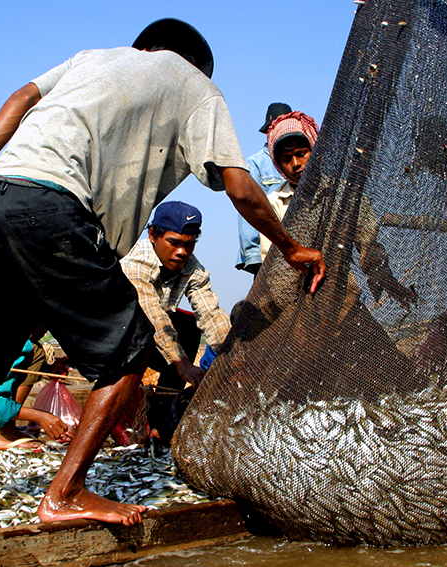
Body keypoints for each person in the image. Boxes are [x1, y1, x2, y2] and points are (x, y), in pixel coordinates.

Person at [0, 18, 325, 528]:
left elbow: (21, 96)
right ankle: (63, 495)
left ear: (145, 48)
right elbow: (240, 185)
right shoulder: (197, 86)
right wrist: (291, 249)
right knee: (130, 355)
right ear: (196, 63)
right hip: (54, 208)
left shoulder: (92, 58)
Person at [120, 202, 231, 440]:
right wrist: (182, 364)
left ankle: (162, 422)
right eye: (174, 243)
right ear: (153, 235)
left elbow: (210, 312)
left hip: (152, 336)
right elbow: (153, 317)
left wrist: (230, 356)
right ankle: (126, 427)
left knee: (188, 327)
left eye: (189, 244)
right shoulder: (136, 263)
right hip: (119, 335)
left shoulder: (192, 268)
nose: (182, 252)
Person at [236, 102, 291, 275]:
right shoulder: (256, 164)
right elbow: (249, 209)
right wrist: (255, 257)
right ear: (268, 131)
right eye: (274, 128)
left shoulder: (303, 162)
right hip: (270, 252)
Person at [258, 111, 319, 261]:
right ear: (278, 164)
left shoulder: (343, 192)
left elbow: (368, 244)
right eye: (287, 159)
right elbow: (270, 258)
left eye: (301, 154)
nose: (296, 164)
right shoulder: (274, 202)